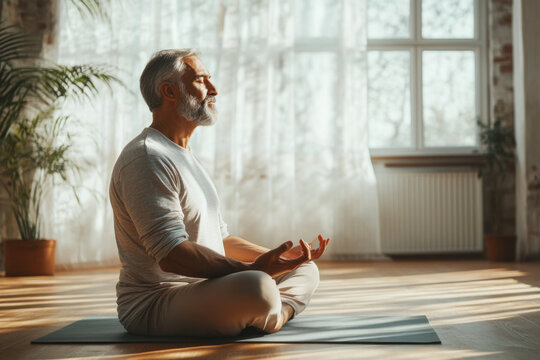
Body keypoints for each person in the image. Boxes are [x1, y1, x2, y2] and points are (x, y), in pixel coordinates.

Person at [109, 49, 330, 337]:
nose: (214, 89)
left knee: (306, 270)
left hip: (204, 288)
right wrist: (254, 269)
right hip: (156, 301)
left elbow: (220, 239)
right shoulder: (147, 158)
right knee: (257, 286)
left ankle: (276, 313)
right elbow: (172, 256)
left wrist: (281, 259)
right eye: (202, 81)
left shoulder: (183, 155)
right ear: (169, 91)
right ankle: (268, 310)